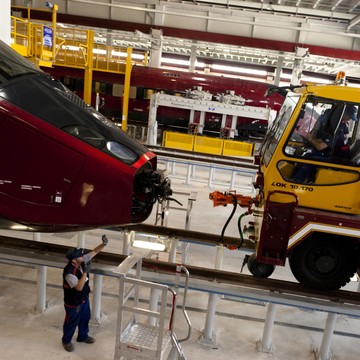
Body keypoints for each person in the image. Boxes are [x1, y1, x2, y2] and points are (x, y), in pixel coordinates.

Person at [62, 234, 109, 352]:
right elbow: (78, 287)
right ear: (74, 260)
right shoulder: (69, 272)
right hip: (73, 303)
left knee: (85, 318)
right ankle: (66, 341)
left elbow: (94, 252)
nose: (83, 256)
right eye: (80, 255)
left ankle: (83, 336)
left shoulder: (81, 260)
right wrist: (85, 273)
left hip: (83, 299)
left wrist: (103, 244)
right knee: (71, 322)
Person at [292, 104, 357, 183]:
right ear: (344, 113)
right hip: (337, 156)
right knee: (307, 155)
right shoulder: (340, 127)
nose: (349, 120)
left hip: (338, 160)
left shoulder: (336, 129)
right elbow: (323, 141)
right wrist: (313, 140)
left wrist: (310, 139)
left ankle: (296, 181)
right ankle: (295, 178)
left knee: (311, 159)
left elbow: (320, 147)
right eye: (349, 117)